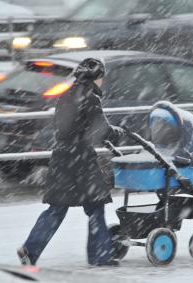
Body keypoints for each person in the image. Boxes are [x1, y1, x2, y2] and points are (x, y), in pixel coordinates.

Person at [17, 58, 123, 266]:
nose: (102, 82)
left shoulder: (65, 95)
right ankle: (99, 255)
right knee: (96, 207)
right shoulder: (90, 98)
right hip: (81, 161)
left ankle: (30, 249)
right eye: (101, 77)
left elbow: (64, 126)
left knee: (56, 208)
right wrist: (117, 134)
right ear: (96, 77)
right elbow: (101, 131)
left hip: (61, 158)